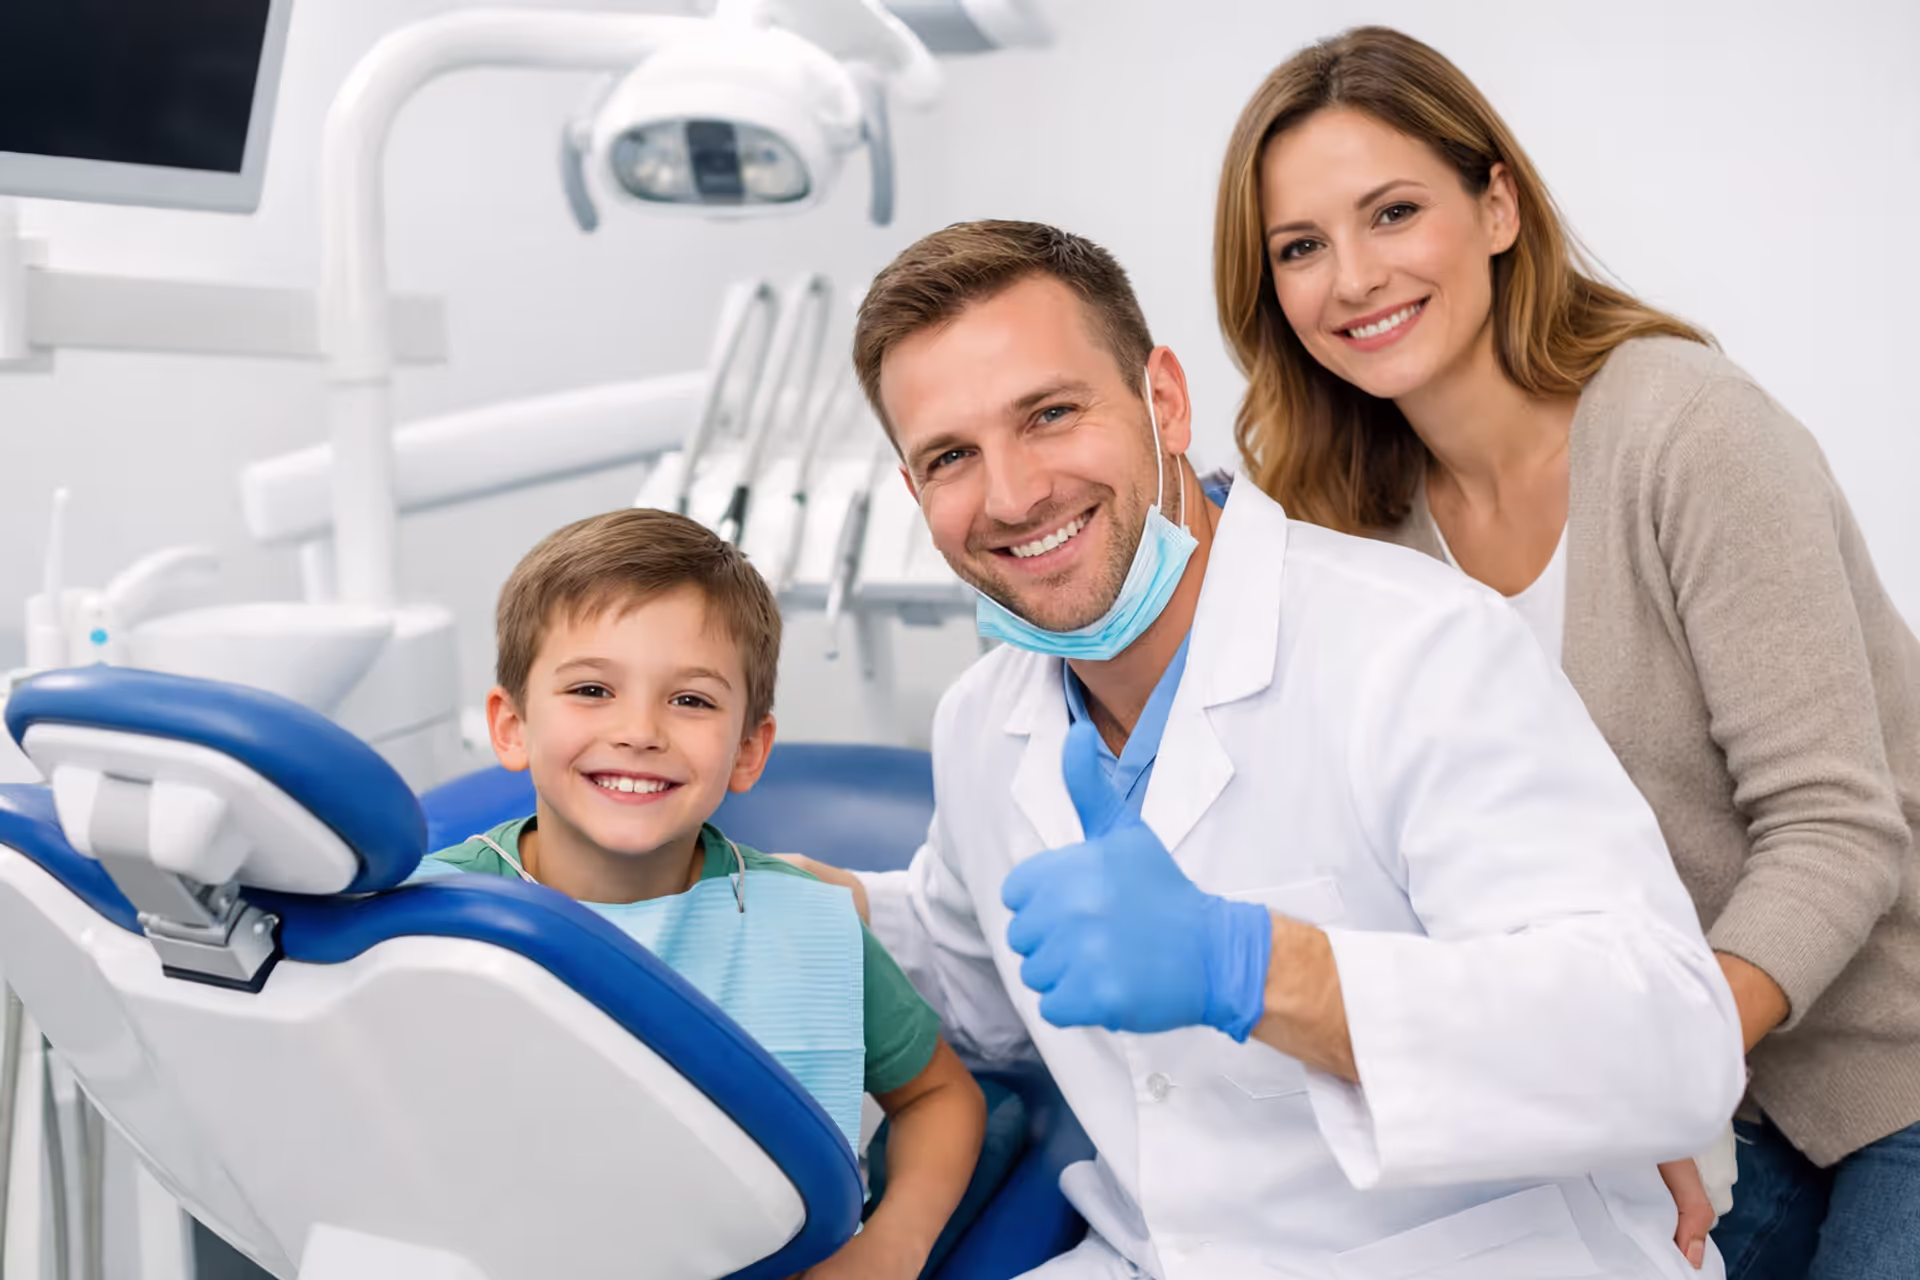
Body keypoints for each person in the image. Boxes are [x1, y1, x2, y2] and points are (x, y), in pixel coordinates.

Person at [786, 218, 1744, 1279]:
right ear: (916, 492)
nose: (1012, 495)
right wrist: (781, 902)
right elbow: (986, 977)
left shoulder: (1417, 646)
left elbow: (1671, 1044)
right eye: (952, 456)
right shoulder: (981, 718)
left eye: (1050, 414)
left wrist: (1252, 966)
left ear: (1164, 399)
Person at [1213, 25, 1920, 1280]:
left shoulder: (1687, 433)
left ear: (1498, 207)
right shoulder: (1356, 533)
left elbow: (1835, 830)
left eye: (1393, 213)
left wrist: (1658, 1076)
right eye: (1301, 247)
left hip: (1888, 1055)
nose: (1354, 277)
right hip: (1683, 1090)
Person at [419, 508, 986, 1280]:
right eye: (592, 688)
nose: (639, 730)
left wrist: (892, 1246)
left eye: (690, 700)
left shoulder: (806, 924)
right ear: (512, 725)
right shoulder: (426, 923)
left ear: (749, 749)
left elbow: (940, 1100)